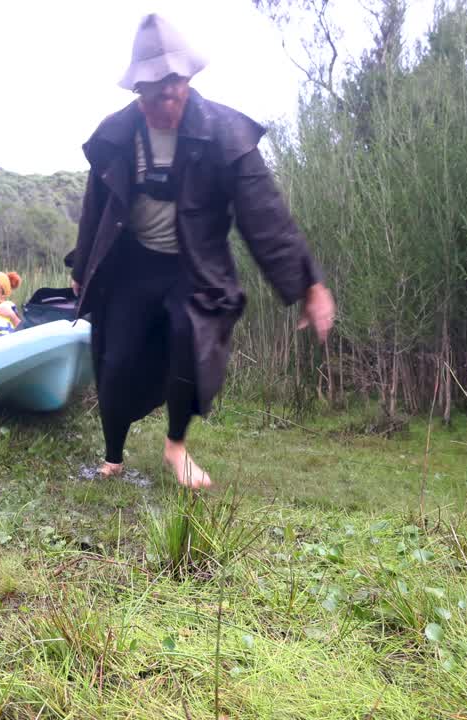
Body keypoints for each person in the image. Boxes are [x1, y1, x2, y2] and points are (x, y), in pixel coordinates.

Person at [66, 13, 335, 489]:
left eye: (171, 91)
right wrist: (82, 265)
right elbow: (96, 207)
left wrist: (307, 285)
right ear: (138, 92)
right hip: (133, 263)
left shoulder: (223, 133)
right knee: (116, 357)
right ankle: (112, 458)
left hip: (195, 266)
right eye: (151, 94)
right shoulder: (117, 134)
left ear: (186, 82)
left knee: (189, 340)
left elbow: (265, 214)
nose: (163, 104)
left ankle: (175, 446)